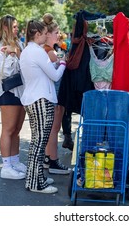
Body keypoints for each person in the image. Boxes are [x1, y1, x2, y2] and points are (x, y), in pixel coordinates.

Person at [20, 19, 66, 194]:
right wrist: (62, 64)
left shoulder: (28, 51)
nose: (47, 35)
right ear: (37, 34)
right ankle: (35, 182)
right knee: (39, 143)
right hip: (41, 99)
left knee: (37, 143)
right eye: (45, 33)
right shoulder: (37, 52)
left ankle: (35, 178)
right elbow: (55, 76)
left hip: (33, 98)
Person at [0, 15, 26, 180]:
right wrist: (12, 54)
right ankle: (6, 167)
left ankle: (14, 161)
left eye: (17, 26)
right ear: (5, 28)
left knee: (17, 129)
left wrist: (17, 51)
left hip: (20, 90)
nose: (16, 29)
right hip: (7, 92)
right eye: (14, 27)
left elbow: (26, 63)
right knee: (8, 129)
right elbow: (4, 72)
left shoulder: (18, 44)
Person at [41, 13, 71, 175]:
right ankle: (53, 161)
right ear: (48, 34)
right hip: (54, 93)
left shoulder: (48, 50)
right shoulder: (49, 51)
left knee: (52, 127)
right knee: (54, 128)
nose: (59, 35)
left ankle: (48, 158)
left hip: (53, 92)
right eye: (56, 32)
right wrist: (64, 61)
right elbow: (57, 74)